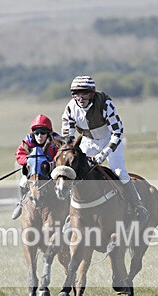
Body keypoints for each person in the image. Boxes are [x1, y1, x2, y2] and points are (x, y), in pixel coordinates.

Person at [61, 75, 148, 223]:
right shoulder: (70, 107)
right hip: (88, 141)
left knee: (119, 171)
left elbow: (117, 132)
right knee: (75, 172)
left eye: (85, 93)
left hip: (110, 139)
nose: (80, 98)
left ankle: (137, 205)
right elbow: (68, 136)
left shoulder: (105, 103)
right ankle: (71, 212)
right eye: (76, 94)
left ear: (92, 93)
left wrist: (104, 153)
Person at [11, 114, 61, 220]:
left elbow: (60, 155)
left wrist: (52, 163)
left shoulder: (56, 140)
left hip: (51, 170)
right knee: (23, 182)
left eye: (43, 133)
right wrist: (29, 162)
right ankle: (21, 203)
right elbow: (19, 154)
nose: (39, 136)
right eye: (36, 133)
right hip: (33, 172)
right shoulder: (28, 140)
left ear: (49, 133)